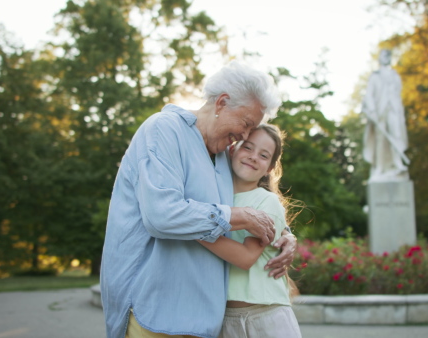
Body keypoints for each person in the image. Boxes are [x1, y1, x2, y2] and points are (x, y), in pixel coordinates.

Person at [100, 61, 297, 338]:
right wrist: (239, 217)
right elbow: (162, 215)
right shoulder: (164, 130)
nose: (244, 136)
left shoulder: (221, 154)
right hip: (155, 315)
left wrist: (285, 234)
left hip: (204, 323)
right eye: (246, 124)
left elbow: (247, 197)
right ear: (222, 102)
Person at [199, 124, 302, 338]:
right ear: (232, 150)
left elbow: (246, 258)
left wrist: (190, 230)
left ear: (270, 169)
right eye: (247, 147)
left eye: (263, 155)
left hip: (265, 316)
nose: (253, 157)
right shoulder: (215, 198)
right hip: (223, 317)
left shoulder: (267, 201)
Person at [362, 48, 410, 181]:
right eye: (384, 55)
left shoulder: (395, 76)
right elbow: (369, 96)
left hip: (394, 111)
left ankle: (397, 164)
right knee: (380, 140)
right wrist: (372, 111)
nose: (386, 57)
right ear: (379, 58)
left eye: (388, 55)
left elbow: (398, 94)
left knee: (396, 136)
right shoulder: (375, 76)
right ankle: (380, 167)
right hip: (379, 112)